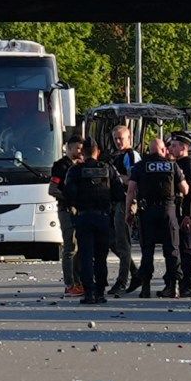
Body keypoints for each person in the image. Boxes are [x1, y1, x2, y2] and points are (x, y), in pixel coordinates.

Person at [61, 140, 124, 304]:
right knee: (101, 257)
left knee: (86, 256)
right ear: (98, 151)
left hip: (83, 217)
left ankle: (89, 293)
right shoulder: (107, 168)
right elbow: (119, 193)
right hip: (102, 217)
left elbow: (68, 195)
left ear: (84, 152)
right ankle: (101, 292)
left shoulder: (75, 170)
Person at [126, 134, 182, 298]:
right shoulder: (172, 166)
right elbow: (185, 188)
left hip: (147, 212)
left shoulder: (140, 166)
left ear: (148, 151)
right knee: (172, 250)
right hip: (168, 211)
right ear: (164, 150)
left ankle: (145, 287)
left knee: (147, 250)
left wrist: (129, 212)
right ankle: (173, 287)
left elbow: (131, 190)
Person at [106, 124, 140, 295]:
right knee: (112, 241)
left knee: (123, 242)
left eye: (121, 138)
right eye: (116, 138)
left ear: (129, 138)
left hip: (126, 201)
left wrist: (115, 178)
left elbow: (133, 179)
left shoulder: (131, 155)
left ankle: (122, 281)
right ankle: (135, 272)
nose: (118, 141)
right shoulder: (115, 156)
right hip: (114, 202)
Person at [50, 134, 85, 296]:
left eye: (81, 148)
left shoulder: (81, 165)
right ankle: (70, 284)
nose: (80, 151)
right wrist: (69, 197)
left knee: (79, 248)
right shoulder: (61, 166)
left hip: (80, 210)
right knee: (70, 247)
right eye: (77, 148)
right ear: (69, 148)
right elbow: (52, 189)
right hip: (66, 209)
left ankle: (78, 281)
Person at [169, 133, 191, 298]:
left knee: (186, 249)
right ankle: (179, 283)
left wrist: (190, 215)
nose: (170, 148)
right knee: (178, 249)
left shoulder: (190, 167)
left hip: (185, 215)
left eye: (174, 145)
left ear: (184, 147)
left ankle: (189, 283)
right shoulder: (175, 165)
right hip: (176, 213)